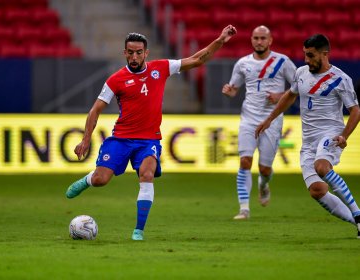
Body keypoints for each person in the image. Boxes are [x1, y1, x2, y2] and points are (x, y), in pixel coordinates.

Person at [65, 25, 237, 241]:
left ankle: (139, 230)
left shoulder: (161, 68)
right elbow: (95, 110)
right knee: (101, 180)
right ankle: (88, 180)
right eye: (130, 52)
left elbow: (197, 60)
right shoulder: (116, 79)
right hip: (121, 138)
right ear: (124, 53)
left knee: (147, 174)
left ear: (146, 53)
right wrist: (85, 140)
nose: (134, 56)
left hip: (148, 140)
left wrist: (220, 39)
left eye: (139, 52)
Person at [255, 34, 360, 238]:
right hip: (309, 142)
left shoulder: (340, 79)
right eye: (305, 55)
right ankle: (355, 221)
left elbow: (355, 110)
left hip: (331, 135)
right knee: (317, 191)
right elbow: (290, 95)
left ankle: (357, 214)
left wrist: (344, 136)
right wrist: (269, 119)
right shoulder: (301, 73)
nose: (306, 60)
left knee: (321, 167)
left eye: (311, 56)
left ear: (324, 54)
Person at [221, 25, 296, 220]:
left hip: (272, 120)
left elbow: (299, 87)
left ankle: (263, 185)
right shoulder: (243, 63)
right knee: (245, 161)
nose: (259, 41)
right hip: (249, 118)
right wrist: (229, 92)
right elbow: (234, 89)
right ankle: (244, 209)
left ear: (270, 40)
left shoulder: (283, 62)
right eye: (256, 38)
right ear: (251, 40)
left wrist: (280, 95)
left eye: (263, 38)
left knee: (265, 168)